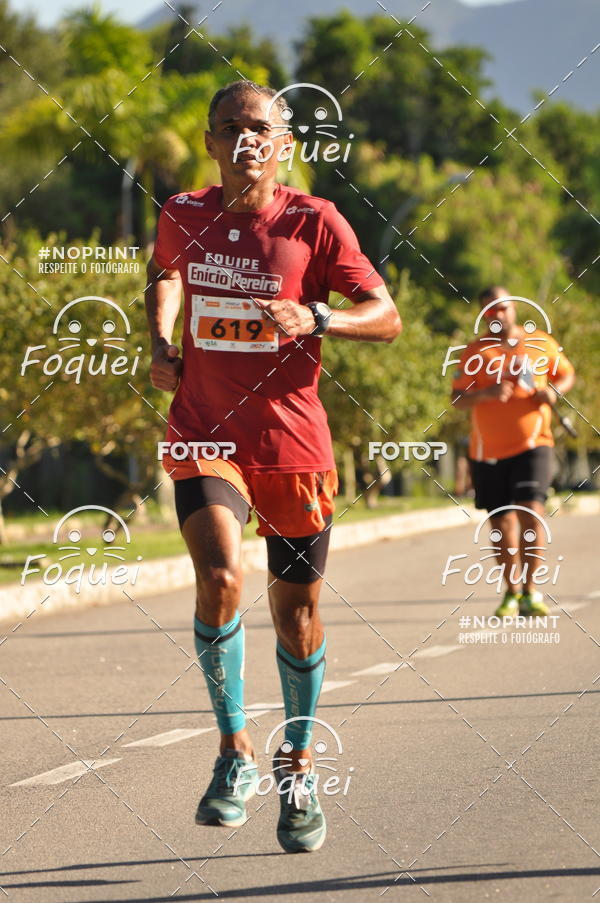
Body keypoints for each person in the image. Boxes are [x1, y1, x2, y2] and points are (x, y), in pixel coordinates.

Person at [145, 80, 401, 853]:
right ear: (211, 141)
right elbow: (167, 275)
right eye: (229, 126)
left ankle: (298, 762)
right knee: (220, 575)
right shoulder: (182, 214)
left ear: (284, 142)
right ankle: (234, 750)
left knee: (297, 615)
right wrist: (161, 342)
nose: (244, 138)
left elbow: (385, 316)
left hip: (293, 446)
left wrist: (319, 316)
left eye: (259, 126)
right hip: (204, 432)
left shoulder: (315, 222)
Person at [451, 286, 575, 618]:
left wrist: (552, 392)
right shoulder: (474, 353)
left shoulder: (541, 343)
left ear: (514, 309)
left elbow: (566, 375)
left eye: (502, 308)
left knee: (531, 512)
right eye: (488, 310)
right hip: (487, 450)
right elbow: (457, 397)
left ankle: (532, 593)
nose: (497, 315)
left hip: (534, 443)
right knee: (501, 523)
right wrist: (486, 394)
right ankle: (511, 592)